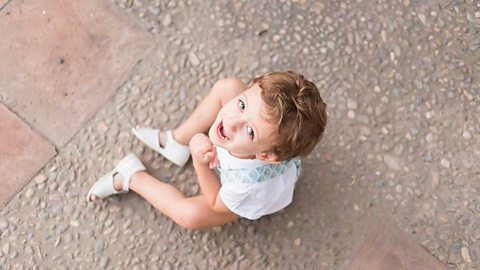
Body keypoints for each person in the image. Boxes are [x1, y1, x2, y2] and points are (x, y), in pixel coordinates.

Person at [87, 71, 327, 230]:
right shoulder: (253, 133)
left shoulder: (245, 187)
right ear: (252, 87)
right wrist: (245, 130)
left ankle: (132, 176)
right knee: (229, 86)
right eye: (242, 104)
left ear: (265, 156)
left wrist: (201, 162)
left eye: (250, 131)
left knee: (189, 216)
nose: (232, 121)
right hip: (254, 154)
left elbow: (214, 202)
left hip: (236, 194)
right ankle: (177, 141)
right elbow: (243, 109)